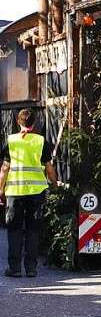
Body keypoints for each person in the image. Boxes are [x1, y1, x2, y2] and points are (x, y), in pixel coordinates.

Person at [0, 108, 58, 277]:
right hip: (36, 192)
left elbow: (5, 168)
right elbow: (49, 168)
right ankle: (31, 268)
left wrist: (0, 189)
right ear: (35, 123)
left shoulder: (11, 141)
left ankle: (15, 268)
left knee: (14, 229)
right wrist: (54, 185)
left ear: (18, 122)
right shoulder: (41, 141)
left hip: (15, 192)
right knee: (33, 230)